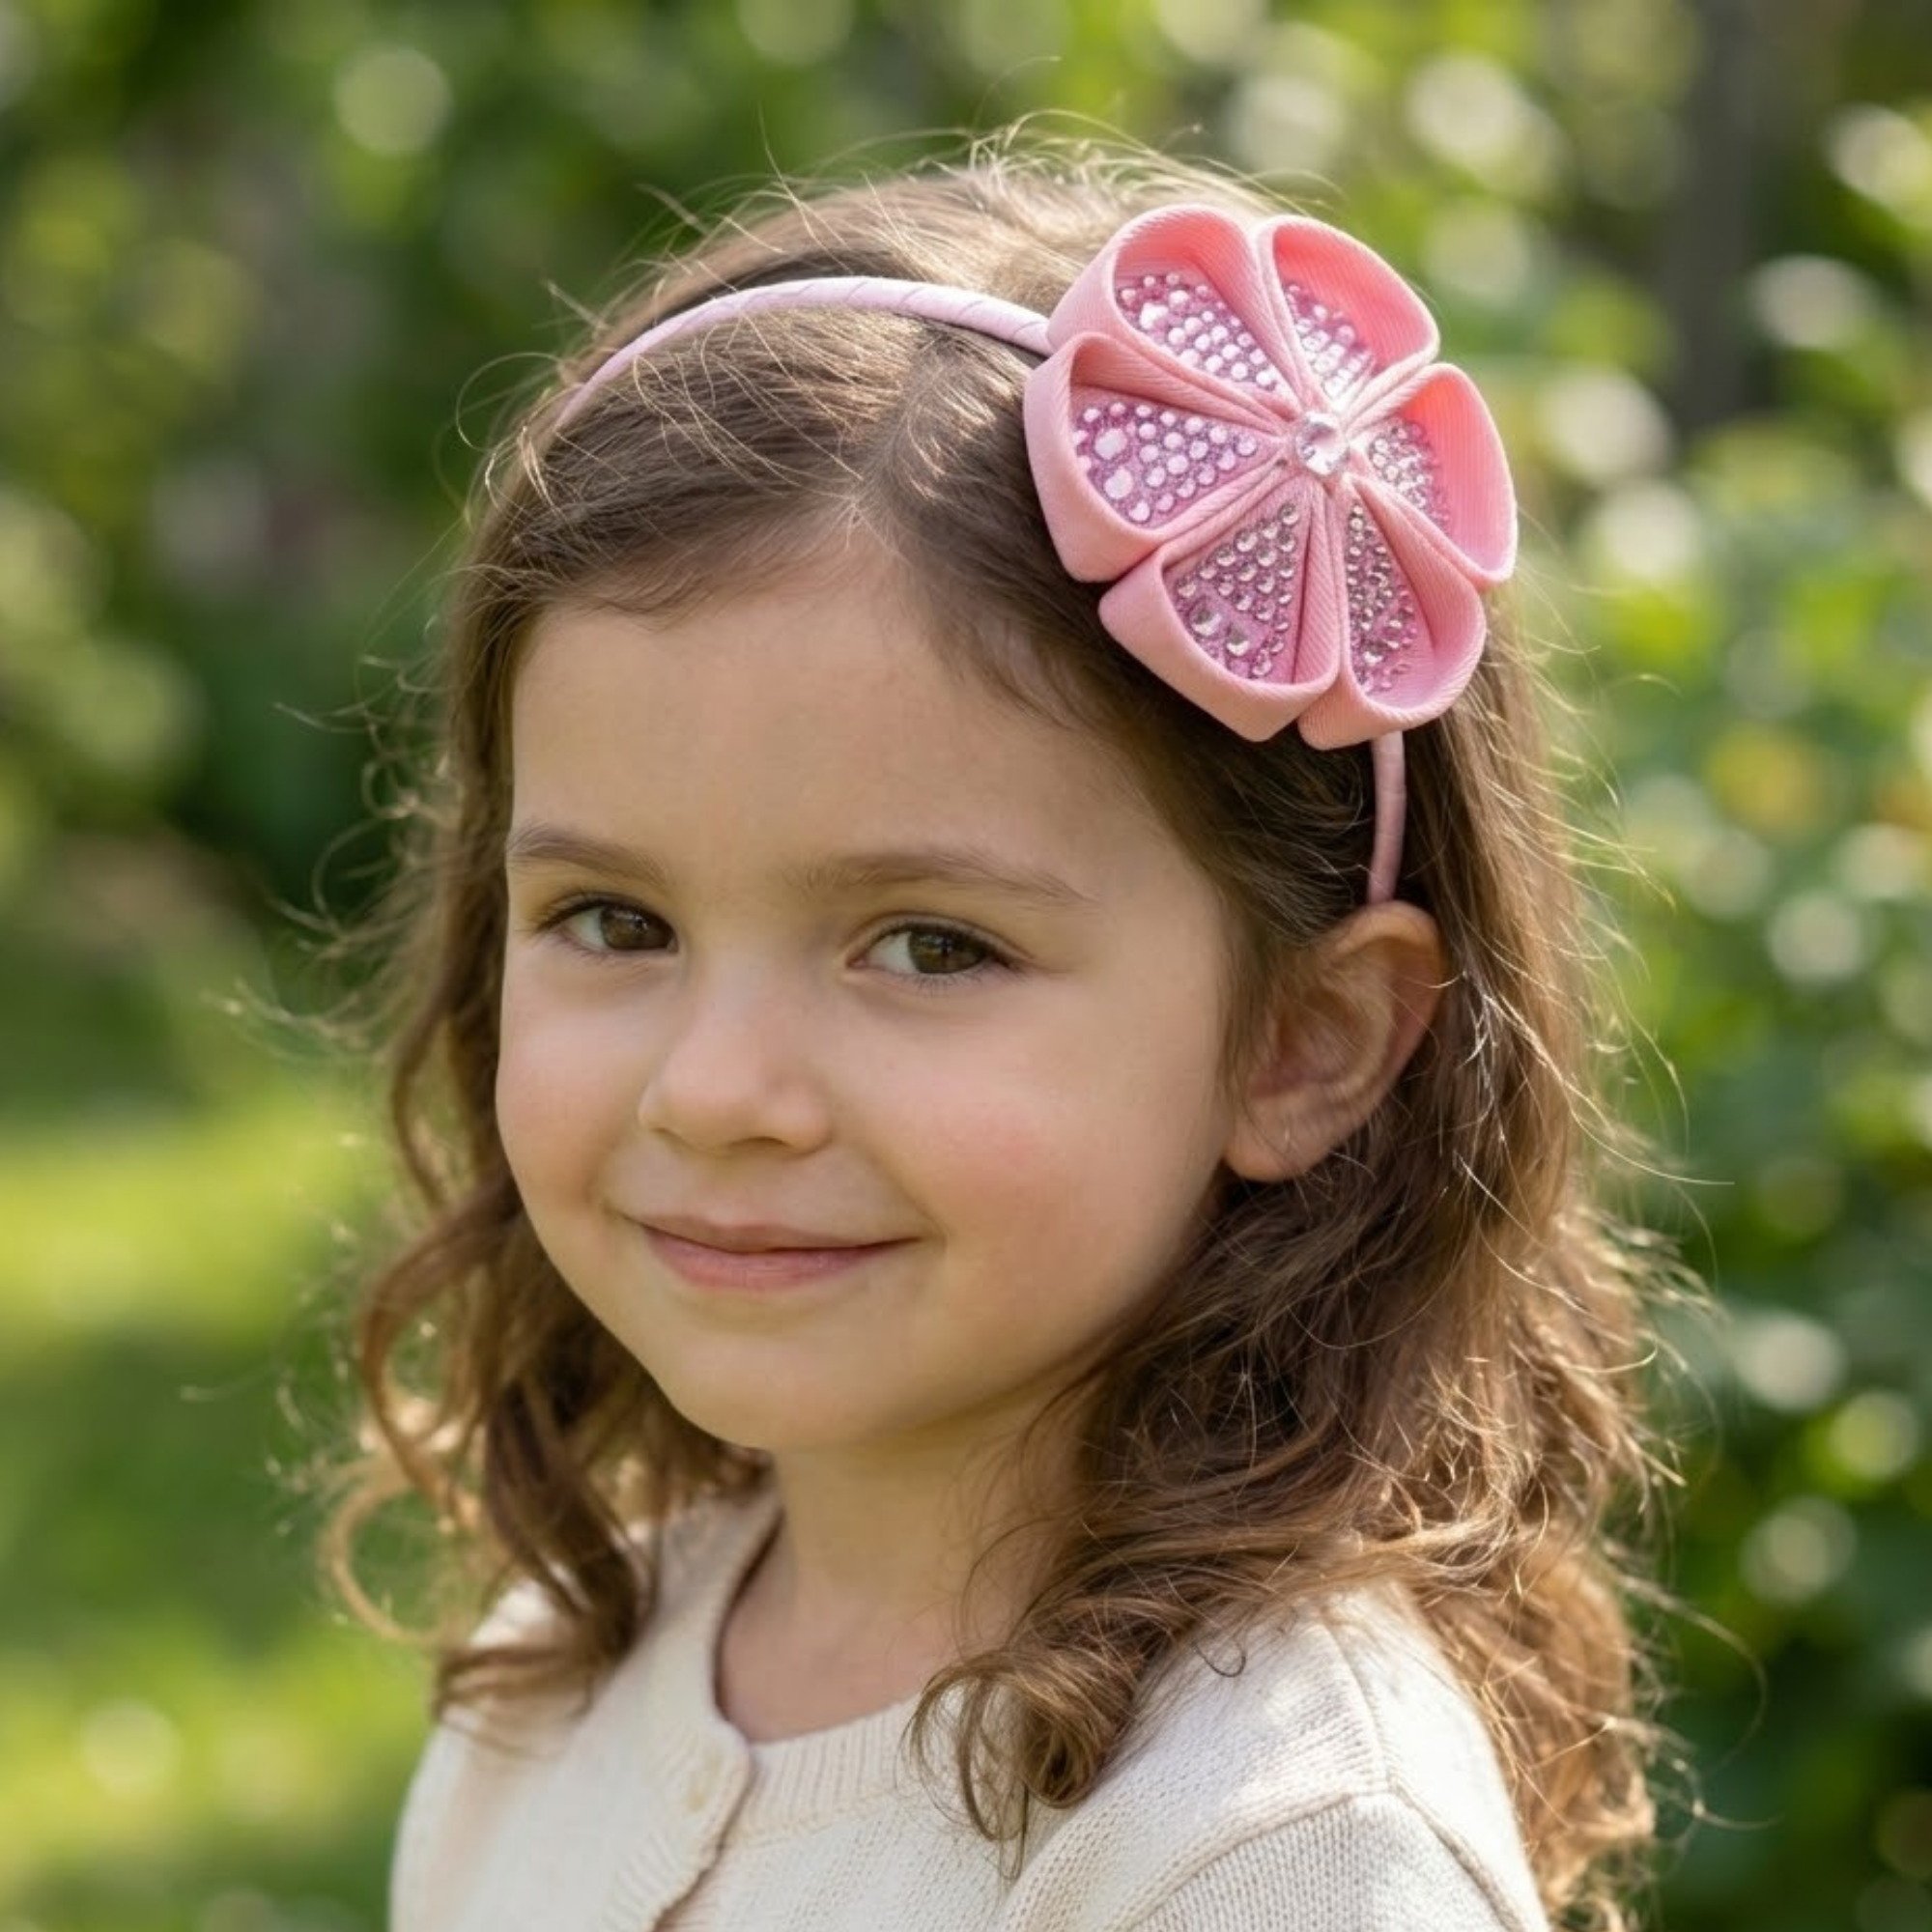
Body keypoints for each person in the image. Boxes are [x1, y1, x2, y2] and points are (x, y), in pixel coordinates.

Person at [336, 137, 1671, 1931]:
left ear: (1306, 1041)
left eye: (930, 946)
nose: (716, 1091)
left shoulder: (1271, 1851)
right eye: (615, 922)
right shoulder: (555, 1687)